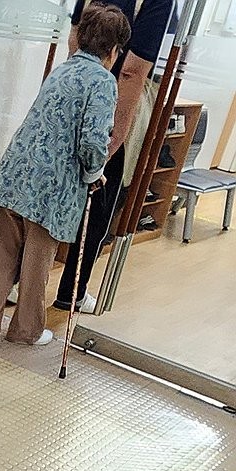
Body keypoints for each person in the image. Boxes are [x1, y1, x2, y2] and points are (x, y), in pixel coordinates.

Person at [0, 4, 130, 348]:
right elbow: (92, 141)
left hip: (11, 179)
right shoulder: (103, 81)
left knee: (0, 266)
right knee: (35, 269)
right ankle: (25, 331)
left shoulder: (62, 70)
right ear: (114, 50)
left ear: (80, 37)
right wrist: (95, 173)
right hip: (50, 194)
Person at [54, 0, 176, 312]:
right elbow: (132, 71)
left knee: (51, 191)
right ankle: (72, 292)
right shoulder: (159, 2)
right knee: (100, 205)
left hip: (70, 89)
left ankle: (17, 283)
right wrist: (117, 132)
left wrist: (78, 85)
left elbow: (74, 37)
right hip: (115, 100)